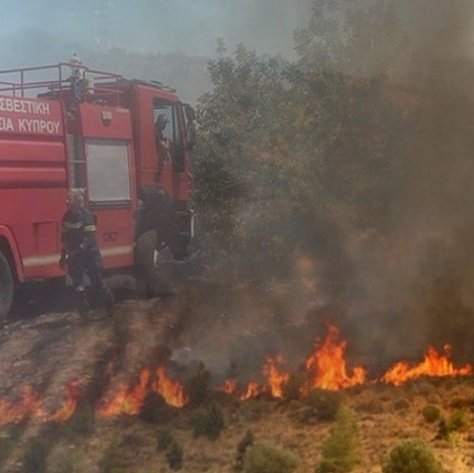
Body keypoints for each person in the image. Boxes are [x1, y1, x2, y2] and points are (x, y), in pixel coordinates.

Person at [59, 189, 115, 320]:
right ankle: (84, 317)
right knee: (78, 285)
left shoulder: (86, 215)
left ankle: (110, 306)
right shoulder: (66, 217)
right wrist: (63, 256)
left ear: (78, 201)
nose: (67, 201)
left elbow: (89, 239)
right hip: (76, 256)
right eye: (67, 198)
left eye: (70, 198)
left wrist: (76, 251)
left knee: (97, 283)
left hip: (90, 254)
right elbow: (64, 239)